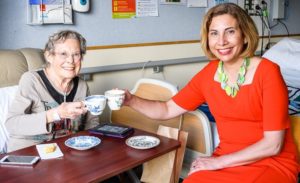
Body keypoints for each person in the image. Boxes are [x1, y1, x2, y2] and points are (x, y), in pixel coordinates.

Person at [123, 3, 299, 183]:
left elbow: (273, 145)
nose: (221, 41)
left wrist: (217, 163)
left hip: (271, 162)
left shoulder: (268, 72)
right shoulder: (209, 74)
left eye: (230, 31)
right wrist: (130, 100)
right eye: (214, 33)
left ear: (245, 35)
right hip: (226, 158)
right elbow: (167, 109)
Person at [5, 30, 99, 152]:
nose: (70, 60)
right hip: (29, 152)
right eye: (63, 54)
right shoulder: (32, 80)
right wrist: (56, 114)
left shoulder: (82, 86)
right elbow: (12, 124)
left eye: (76, 54)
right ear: (49, 56)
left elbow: (92, 124)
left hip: (66, 152)